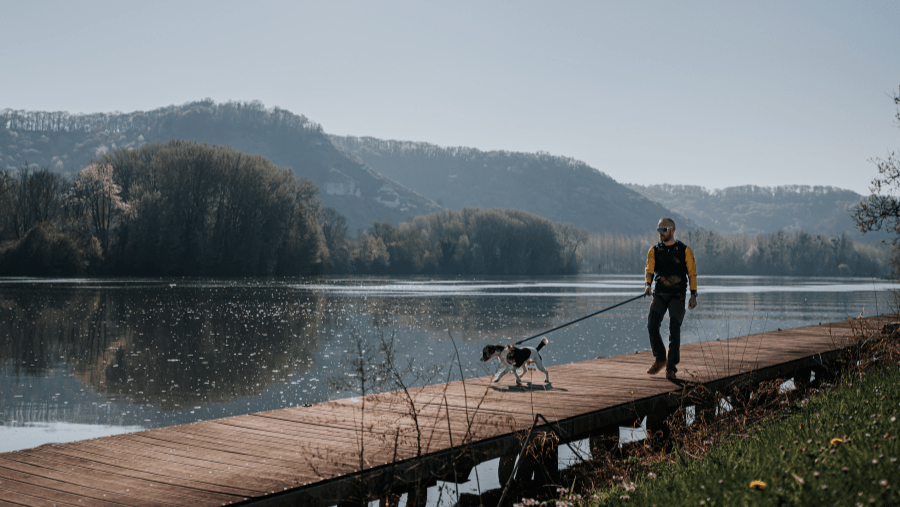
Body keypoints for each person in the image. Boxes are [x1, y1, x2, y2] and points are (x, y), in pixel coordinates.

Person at [643, 218, 697, 380]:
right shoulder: (654, 250)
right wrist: (647, 285)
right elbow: (649, 269)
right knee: (652, 326)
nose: (660, 233)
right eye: (658, 230)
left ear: (672, 230)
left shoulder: (684, 250)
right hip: (659, 294)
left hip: (677, 296)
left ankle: (671, 367)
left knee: (674, 330)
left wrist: (693, 295)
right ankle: (660, 359)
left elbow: (692, 273)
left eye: (664, 229)